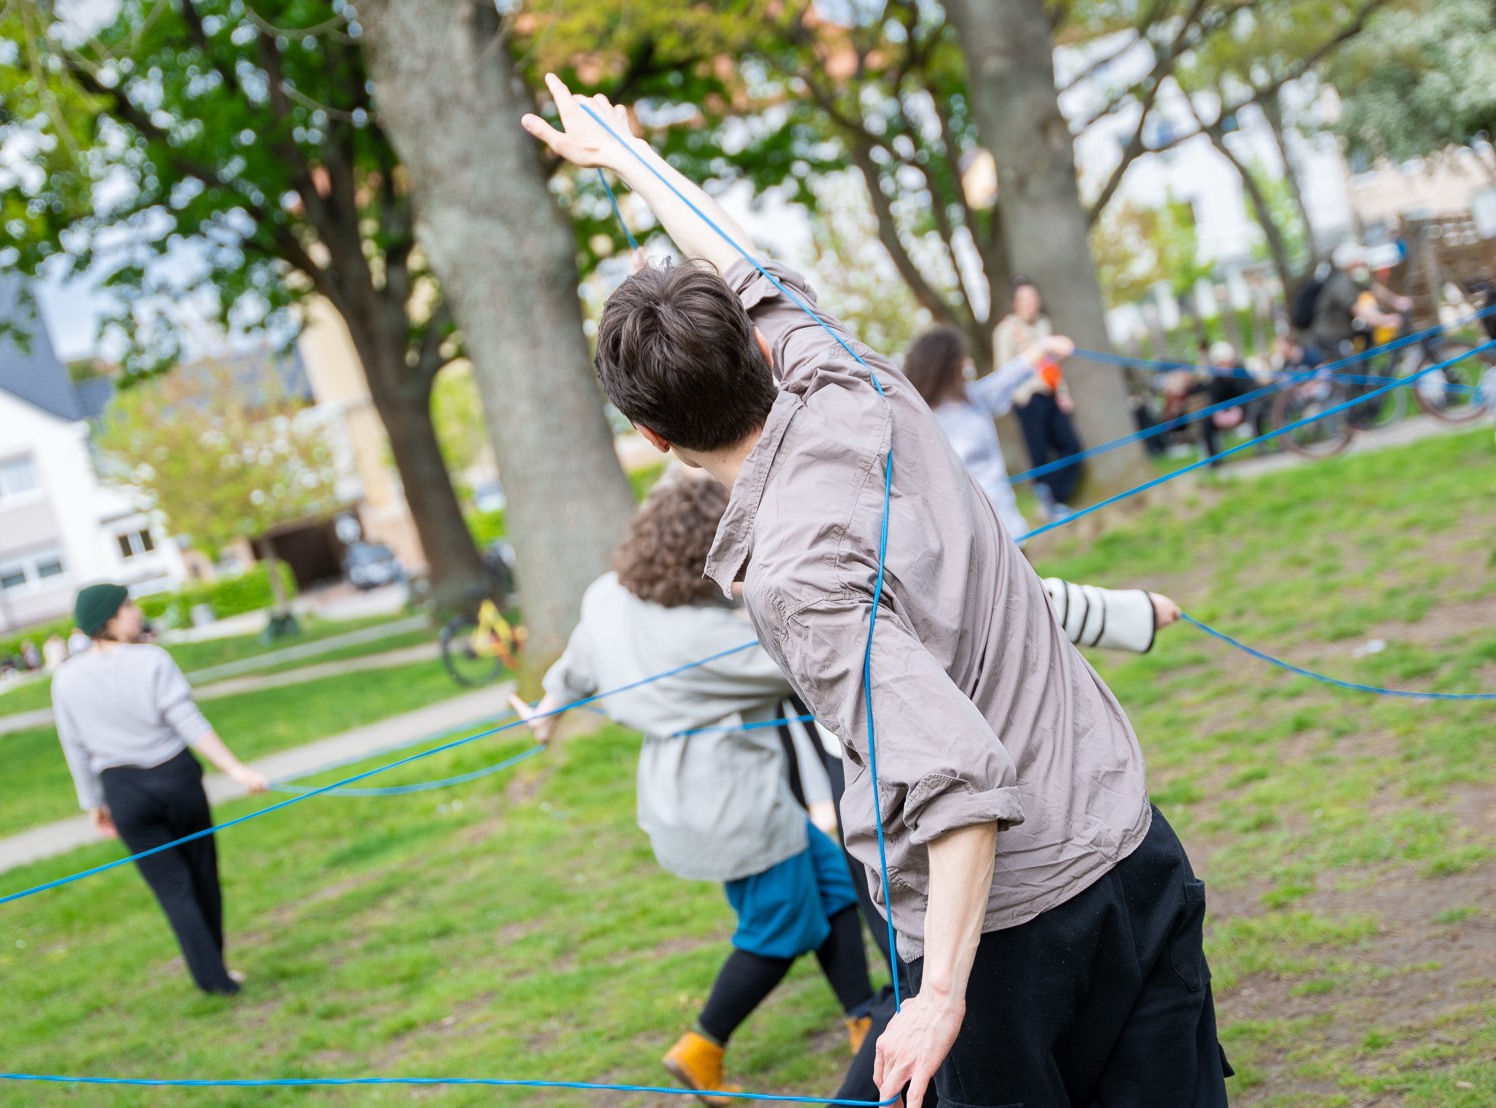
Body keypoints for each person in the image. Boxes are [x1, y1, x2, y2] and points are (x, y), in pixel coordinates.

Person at [524, 77, 1229, 1108]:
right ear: (760, 346)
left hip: (1013, 934)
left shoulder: (794, 576)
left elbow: (957, 785)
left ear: (651, 438)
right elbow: (741, 258)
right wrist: (626, 159)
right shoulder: (854, 379)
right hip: (1130, 846)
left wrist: (939, 996)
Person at [512, 475, 877, 1106]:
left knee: (831, 886)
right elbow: (812, 660)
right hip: (733, 799)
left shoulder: (606, 596)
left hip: (683, 790)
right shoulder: (710, 639)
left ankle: (864, 1019)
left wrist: (548, 709)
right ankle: (701, 1047)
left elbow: (576, 665)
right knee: (781, 928)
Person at [51, 583, 269, 996]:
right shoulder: (152, 659)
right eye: (128, 606)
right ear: (109, 619)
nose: (137, 612)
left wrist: (94, 804)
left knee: (173, 889)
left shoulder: (66, 679)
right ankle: (217, 973)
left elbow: (74, 747)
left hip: (124, 793)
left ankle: (213, 979)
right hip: (176, 781)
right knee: (201, 876)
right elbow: (188, 721)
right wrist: (236, 770)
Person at [901, 325, 1073, 544]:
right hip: (964, 540)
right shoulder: (916, 418)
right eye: (961, 359)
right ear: (945, 365)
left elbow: (1011, 374)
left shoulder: (974, 397)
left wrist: (1045, 346)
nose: (967, 363)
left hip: (1007, 529)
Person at [992, 277, 1083, 521]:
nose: (1030, 303)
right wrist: (1020, 397)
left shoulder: (1044, 324)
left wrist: (1062, 391)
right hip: (1028, 399)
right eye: (1023, 299)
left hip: (1050, 393)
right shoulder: (1006, 331)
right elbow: (1003, 370)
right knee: (1038, 452)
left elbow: (1051, 363)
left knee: (1070, 445)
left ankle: (1058, 496)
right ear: (1015, 303)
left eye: (1033, 297)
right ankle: (1048, 503)